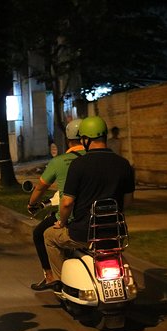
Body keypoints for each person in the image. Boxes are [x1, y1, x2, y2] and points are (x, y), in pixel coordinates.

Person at [43, 116, 135, 286]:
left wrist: (62, 222)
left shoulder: (78, 165)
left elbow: (67, 203)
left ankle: (59, 281)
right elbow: (127, 201)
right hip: (115, 233)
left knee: (49, 236)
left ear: (85, 139)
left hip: (83, 234)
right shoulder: (124, 164)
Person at [27, 118, 85, 291]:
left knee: (40, 233)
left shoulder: (60, 161)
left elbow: (41, 187)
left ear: (68, 139)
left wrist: (32, 203)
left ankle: (52, 276)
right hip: (94, 216)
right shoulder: (95, 159)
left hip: (72, 218)